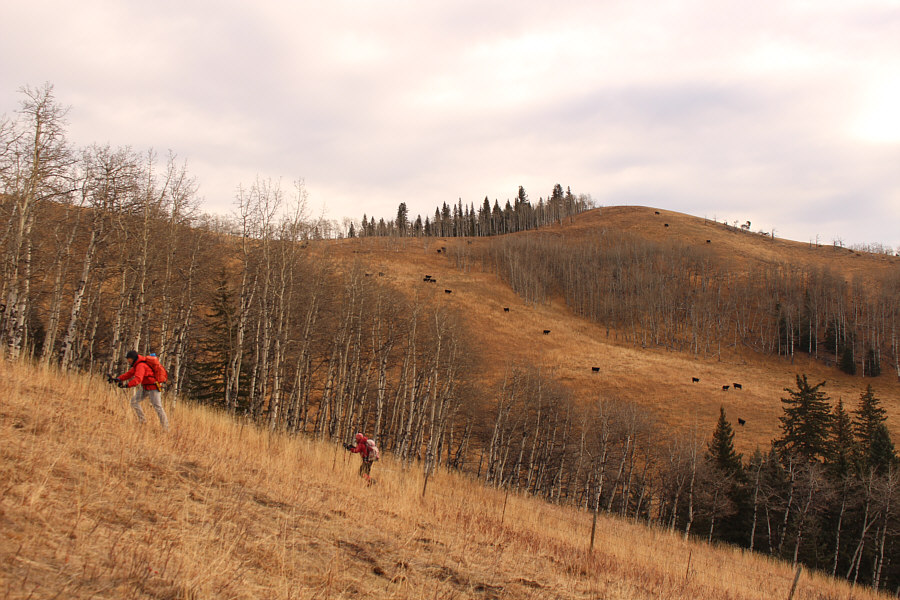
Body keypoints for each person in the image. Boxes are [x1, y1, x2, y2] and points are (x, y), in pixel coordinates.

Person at [115, 350, 169, 431]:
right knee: (134, 402)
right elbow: (129, 374)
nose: (128, 361)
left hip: (153, 388)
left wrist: (127, 385)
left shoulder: (141, 365)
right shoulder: (137, 365)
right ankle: (142, 421)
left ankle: (166, 429)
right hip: (145, 387)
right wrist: (118, 379)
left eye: (129, 359)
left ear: (133, 358)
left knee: (158, 407)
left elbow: (138, 379)